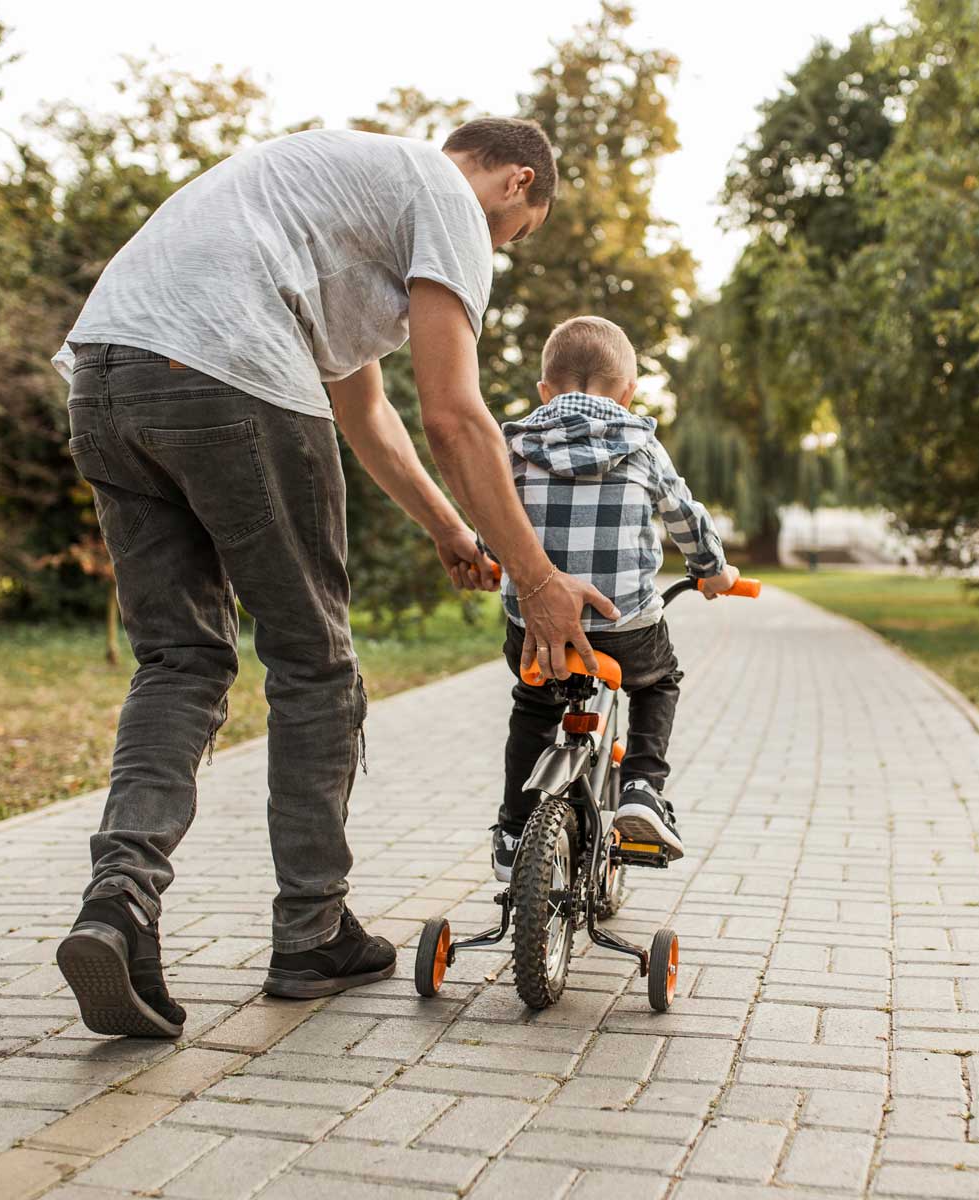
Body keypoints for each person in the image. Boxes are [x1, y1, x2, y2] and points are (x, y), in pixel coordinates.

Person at [51, 118, 623, 1039]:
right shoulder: (445, 196)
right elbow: (454, 414)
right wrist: (540, 576)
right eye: (513, 241)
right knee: (315, 668)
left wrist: (450, 527)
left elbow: (367, 408)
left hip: (106, 374)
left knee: (179, 662)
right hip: (226, 370)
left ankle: (118, 906)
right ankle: (311, 930)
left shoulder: (337, 198)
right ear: (516, 183)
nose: (495, 257)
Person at [490, 316, 740, 882]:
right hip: (622, 622)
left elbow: (493, 519)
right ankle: (642, 789)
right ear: (628, 393)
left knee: (533, 705)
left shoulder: (515, 443)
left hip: (534, 625)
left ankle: (512, 830)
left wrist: (489, 555)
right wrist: (713, 572)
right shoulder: (641, 444)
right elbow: (685, 519)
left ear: (545, 392)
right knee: (658, 681)